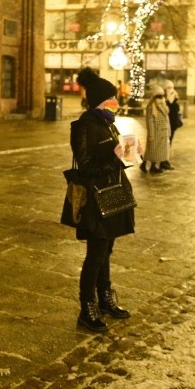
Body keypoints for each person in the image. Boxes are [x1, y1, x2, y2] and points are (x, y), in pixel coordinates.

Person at [70, 68, 136, 332]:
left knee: (106, 251)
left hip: (114, 195)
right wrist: (115, 161)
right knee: (95, 254)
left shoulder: (108, 122)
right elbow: (86, 167)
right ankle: (87, 307)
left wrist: (131, 156)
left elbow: (114, 156)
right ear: (100, 99)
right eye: (111, 99)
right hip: (96, 199)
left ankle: (105, 297)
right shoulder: (85, 125)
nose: (116, 103)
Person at [141, 86, 170, 174]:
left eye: (162, 96)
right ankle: (152, 167)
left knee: (154, 151)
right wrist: (151, 134)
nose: (161, 98)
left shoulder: (160, 105)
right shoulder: (151, 107)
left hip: (161, 132)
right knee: (153, 150)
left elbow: (167, 112)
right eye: (159, 96)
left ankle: (146, 165)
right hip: (156, 132)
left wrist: (164, 104)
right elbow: (150, 121)